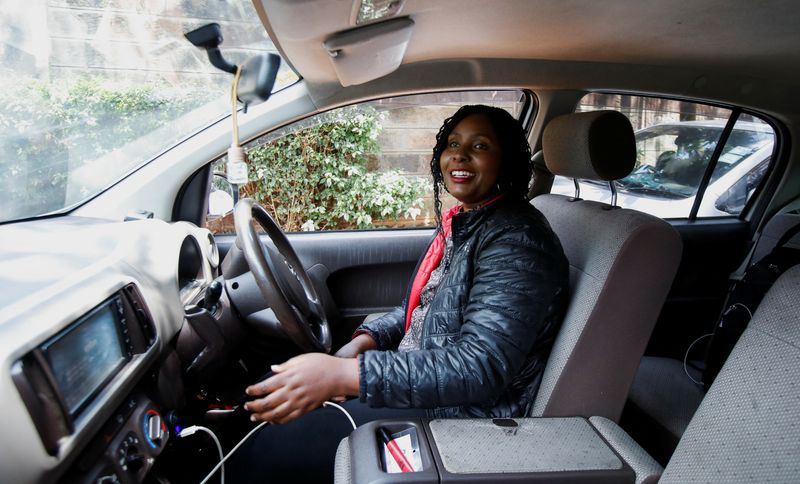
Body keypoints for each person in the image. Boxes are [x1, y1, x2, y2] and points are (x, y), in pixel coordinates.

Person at [229, 104, 569, 483]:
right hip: (425, 384)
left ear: (505, 160)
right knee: (261, 398)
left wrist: (346, 375)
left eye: (480, 146)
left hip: (459, 416)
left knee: (270, 450)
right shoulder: (471, 220)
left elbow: (480, 366)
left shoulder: (517, 241)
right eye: (453, 143)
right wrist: (368, 339)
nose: (459, 154)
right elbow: (425, 305)